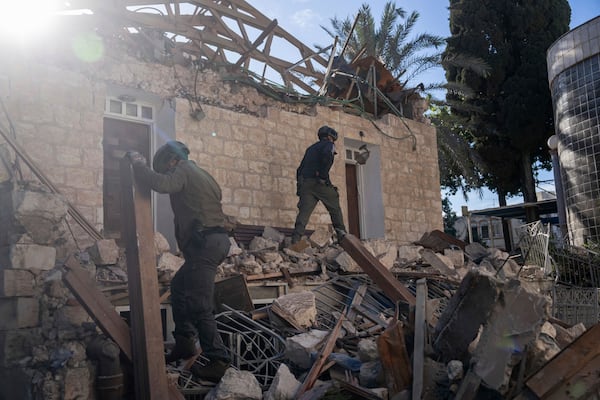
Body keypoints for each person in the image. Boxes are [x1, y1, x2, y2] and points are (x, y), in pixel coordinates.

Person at [126, 141, 231, 382]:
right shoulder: (204, 175)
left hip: (206, 243)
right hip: (212, 241)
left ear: (171, 161)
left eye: (165, 168)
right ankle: (184, 342)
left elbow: (162, 184)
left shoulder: (183, 170)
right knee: (180, 286)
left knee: (199, 303)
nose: (166, 172)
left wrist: (140, 166)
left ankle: (219, 360)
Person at [291, 125, 347, 244]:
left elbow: (299, 169)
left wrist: (300, 188)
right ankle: (342, 236)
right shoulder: (329, 145)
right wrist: (322, 176)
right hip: (318, 183)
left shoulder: (310, 149)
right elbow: (327, 156)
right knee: (334, 205)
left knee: (304, 214)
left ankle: (295, 241)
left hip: (306, 184)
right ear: (329, 137)